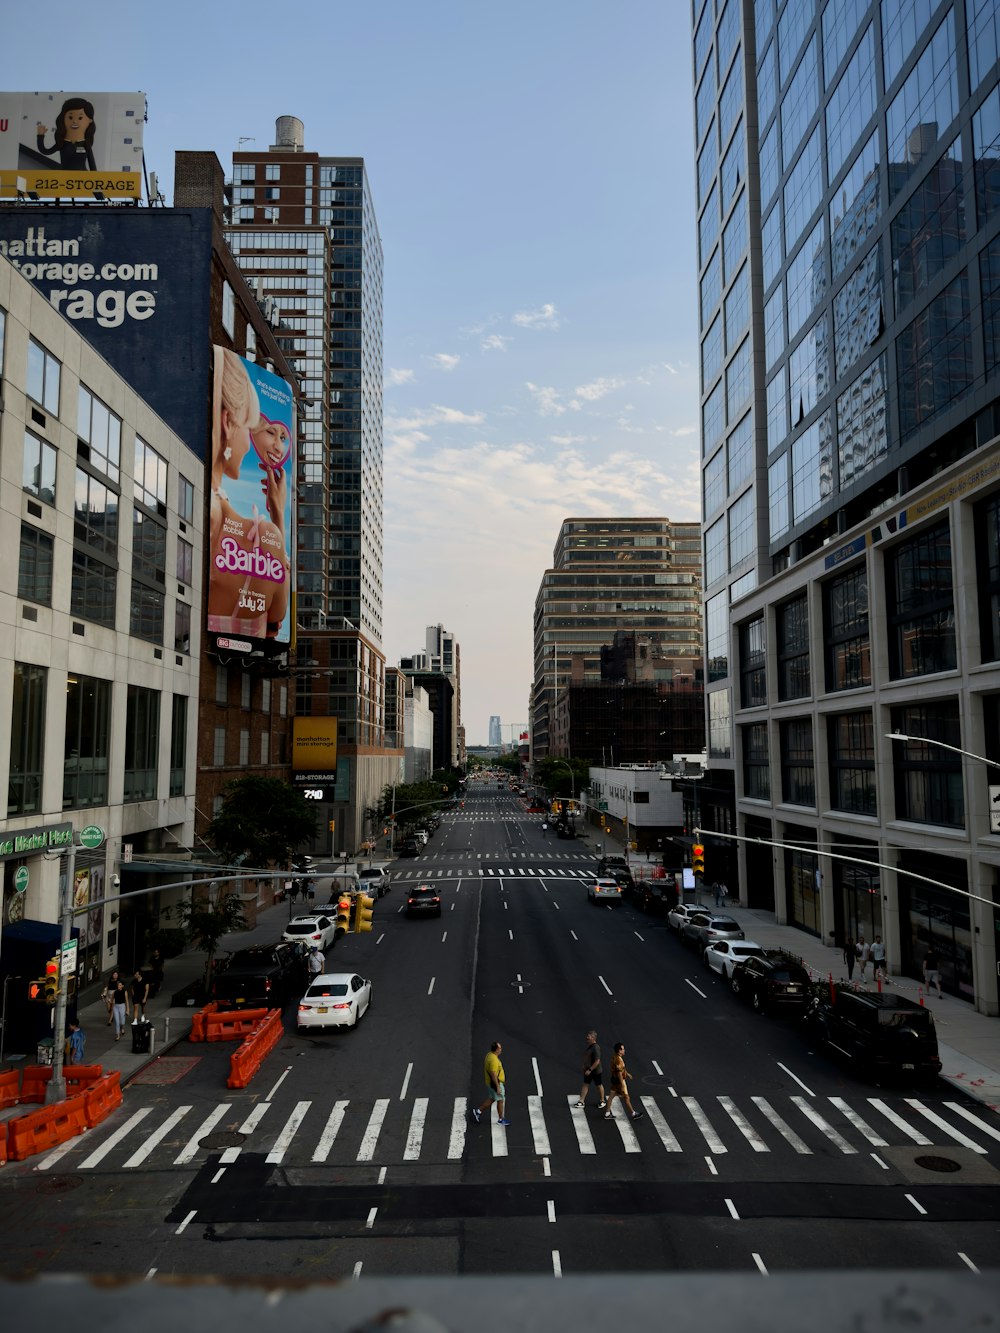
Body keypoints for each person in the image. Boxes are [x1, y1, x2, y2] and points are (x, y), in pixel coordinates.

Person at [208, 349, 291, 639]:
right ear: (228, 423)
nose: (248, 442)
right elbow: (278, 614)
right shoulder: (259, 533)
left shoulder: (212, 510)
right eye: (248, 426)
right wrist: (278, 516)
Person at [36, 97, 97, 172]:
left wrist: (95, 179)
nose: (74, 121)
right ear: (63, 118)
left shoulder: (85, 144)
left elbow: (92, 165)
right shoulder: (62, 143)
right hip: (64, 178)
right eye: (70, 117)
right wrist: (40, 135)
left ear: (90, 120)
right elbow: (45, 151)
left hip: (82, 178)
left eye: (80, 118)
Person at [473, 1040, 508, 1126]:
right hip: (495, 1083)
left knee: (492, 1098)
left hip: (489, 1083)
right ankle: (500, 1119)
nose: (501, 1049)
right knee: (500, 1100)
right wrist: (498, 1087)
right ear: (496, 1050)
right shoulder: (494, 1060)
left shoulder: (489, 1055)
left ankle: (478, 1111)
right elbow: (493, 1074)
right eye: (499, 1048)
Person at [604, 1043, 643, 1121]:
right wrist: (622, 1084)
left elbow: (621, 1070)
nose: (624, 1050)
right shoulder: (618, 1060)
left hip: (615, 1080)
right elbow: (619, 1073)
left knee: (611, 1096)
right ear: (619, 1050)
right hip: (619, 1082)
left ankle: (607, 1113)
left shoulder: (615, 1057)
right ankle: (633, 1114)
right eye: (623, 1049)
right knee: (626, 1097)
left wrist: (627, 1074)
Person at [576, 1029, 606, 1110]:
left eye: (589, 1036)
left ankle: (602, 1101)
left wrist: (590, 1070)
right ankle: (581, 1101)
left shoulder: (596, 1047)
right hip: (589, 1069)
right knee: (585, 1084)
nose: (587, 1037)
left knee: (598, 1085)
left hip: (595, 1071)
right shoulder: (590, 1046)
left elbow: (597, 1061)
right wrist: (584, 1065)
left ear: (593, 1038)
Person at [110, 973, 129, 1041]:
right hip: (116, 1006)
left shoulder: (124, 992)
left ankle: (122, 1028)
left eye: (120, 985)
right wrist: (111, 1007)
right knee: (117, 1022)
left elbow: (127, 1001)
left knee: (122, 1020)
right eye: (118, 985)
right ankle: (118, 1035)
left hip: (122, 1006)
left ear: (122, 986)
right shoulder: (115, 992)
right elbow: (112, 1000)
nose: (119, 986)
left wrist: (127, 1010)